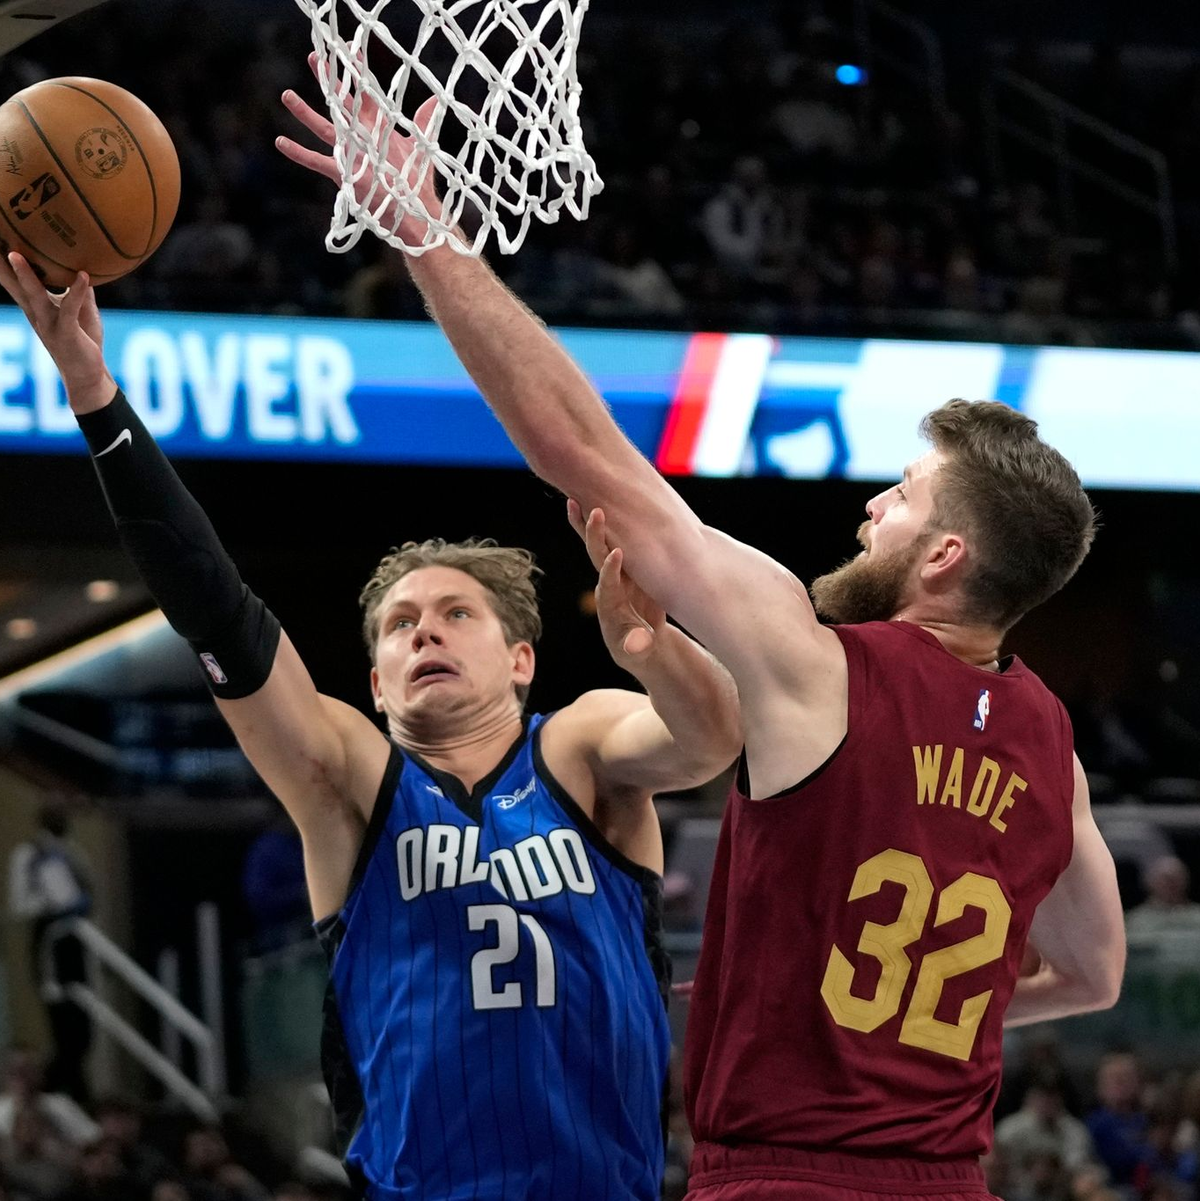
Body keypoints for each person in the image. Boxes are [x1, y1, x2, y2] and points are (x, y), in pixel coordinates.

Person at [274, 72, 1126, 1199]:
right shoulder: (1050, 747)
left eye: (905, 496)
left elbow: (585, 451)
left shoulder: (821, 664)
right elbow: (1091, 971)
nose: (875, 506)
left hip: (779, 1177)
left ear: (945, 557)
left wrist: (428, 237)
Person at [0, 251, 740, 1201]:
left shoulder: (581, 744)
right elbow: (217, 609)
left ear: (522, 658)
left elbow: (713, 739)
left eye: (456, 613)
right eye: (400, 624)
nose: (425, 626)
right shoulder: (351, 779)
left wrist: (653, 649)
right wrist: (96, 395)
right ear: (379, 686)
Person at [6, 796, 94, 1101]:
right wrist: (53, 906)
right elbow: (19, 904)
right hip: (49, 938)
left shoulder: (73, 851)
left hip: (75, 937)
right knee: (63, 1020)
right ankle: (66, 1090)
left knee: (83, 1025)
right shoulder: (29, 854)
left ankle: (67, 1086)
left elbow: (87, 892)